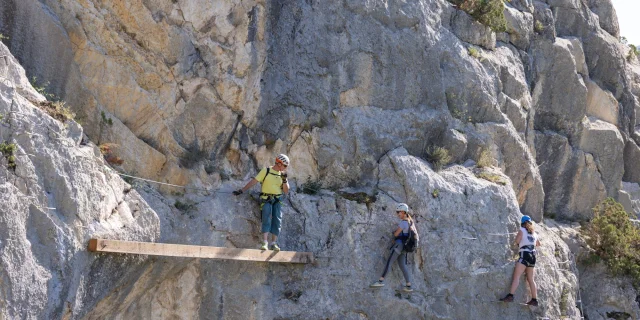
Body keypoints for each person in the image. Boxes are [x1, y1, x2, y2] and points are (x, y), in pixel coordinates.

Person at [233, 154, 290, 251]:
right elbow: (254, 181)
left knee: (277, 220)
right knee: (266, 218)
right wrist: (242, 190)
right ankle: (265, 243)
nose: (285, 168)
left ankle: (274, 243)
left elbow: (286, 191)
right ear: (279, 163)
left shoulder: (282, 175)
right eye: (285, 166)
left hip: (277, 199)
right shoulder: (266, 171)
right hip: (266, 198)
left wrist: (284, 180)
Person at [369, 203, 418, 292]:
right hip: (404, 248)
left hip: (398, 246)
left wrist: (394, 233)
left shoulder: (403, 223)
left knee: (389, 262)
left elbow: (396, 234)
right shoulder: (410, 222)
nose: (397, 214)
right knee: (402, 265)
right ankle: (409, 286)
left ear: (403, 212)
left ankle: (380, 281)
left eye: (398, 212)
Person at [499, 215, 541, 306]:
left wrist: (519, 241)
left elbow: (517, 241)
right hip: (533, 256)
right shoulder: (534, 233)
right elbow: (538, 244)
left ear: (522, 223)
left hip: (524, 254)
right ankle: (534, 299)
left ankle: (510, 295)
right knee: (531, 279)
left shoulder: (522, 230)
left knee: (517, 276)